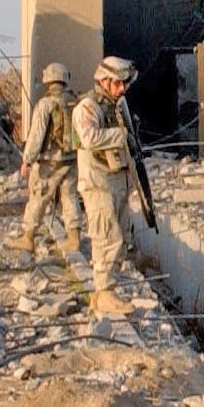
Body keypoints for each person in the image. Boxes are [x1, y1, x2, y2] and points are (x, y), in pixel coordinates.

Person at [72, 56, 139, 317]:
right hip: (98, 184)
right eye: (118, 84)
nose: (122, 89)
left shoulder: (116, 107)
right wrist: (120, 136)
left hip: (116, 182)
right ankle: (106, 291)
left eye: (124, 84)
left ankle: (104, 293)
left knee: (120, 237)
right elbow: (89, 138)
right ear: (104, 81)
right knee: (107, 239)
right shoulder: (88, 107)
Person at [5, 63, 81, 257]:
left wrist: (27, 160)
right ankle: (74, 239)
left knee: (38, 197)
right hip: (71, 159)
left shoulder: (45, 104)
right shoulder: (75, 101)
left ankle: (28, 237)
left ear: (48, 80)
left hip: (50, 162)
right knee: (70, 197)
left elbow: (36, 135)